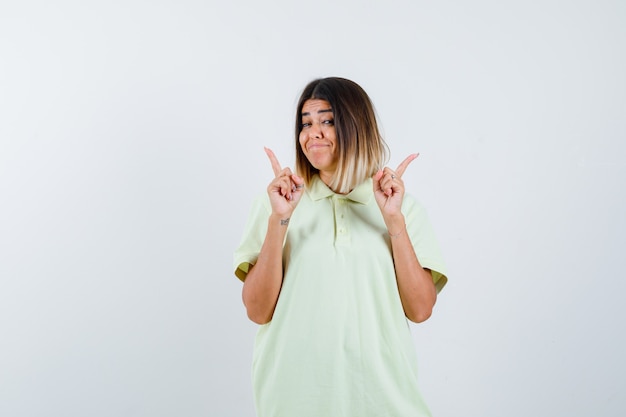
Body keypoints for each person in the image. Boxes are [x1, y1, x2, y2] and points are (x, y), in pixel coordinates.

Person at [233, 77, 448, 417]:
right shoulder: (274, 205)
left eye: (327, 120)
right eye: (306, 123)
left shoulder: (402, 208)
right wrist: (280, 220)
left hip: (384, 403)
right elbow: (257, 311)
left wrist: (394, 222)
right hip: (293, 404)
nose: (312, 132)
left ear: (356, 125)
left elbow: (420, 309)